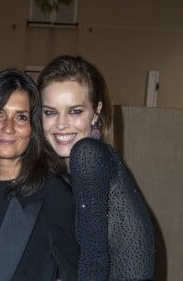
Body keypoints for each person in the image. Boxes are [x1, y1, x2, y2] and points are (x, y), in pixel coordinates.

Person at [0, 69, 79, 281]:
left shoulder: (54, 193)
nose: (8, 127)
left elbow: (76, 273)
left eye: (21, 117)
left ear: (33, 128)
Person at [37, 55, 155, 280]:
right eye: (50, 112)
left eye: (75, 111)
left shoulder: (88, 154)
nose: (61, 124)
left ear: (96, 111)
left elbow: (94, 260)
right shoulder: (83, 164)